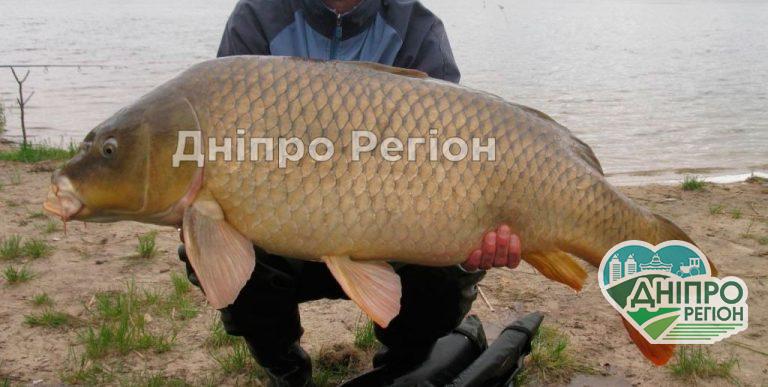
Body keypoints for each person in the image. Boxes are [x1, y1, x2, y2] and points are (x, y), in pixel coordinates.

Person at [178, 0, 524, 385]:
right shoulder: (258, 18)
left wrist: (475, 241)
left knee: (451, 269)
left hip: (390, 238)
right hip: (284, 238)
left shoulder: (417, 28)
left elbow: (448, 160)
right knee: (204, 241)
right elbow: (220, 135)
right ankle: (285, 366)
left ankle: (403, 363)